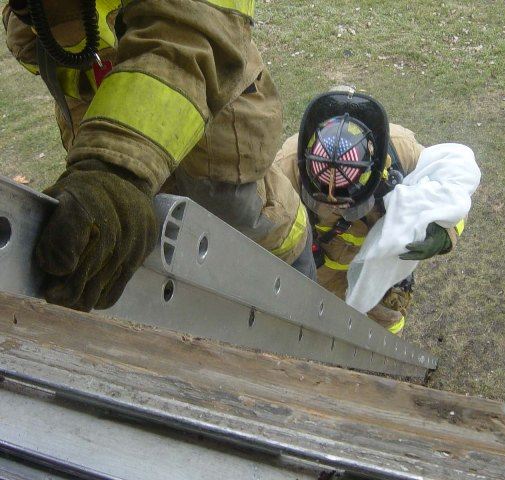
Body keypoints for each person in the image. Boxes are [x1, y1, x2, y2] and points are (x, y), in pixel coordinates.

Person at [3, 0, 315, 312]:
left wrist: (116, 166)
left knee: (234, 206)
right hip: (102, 109)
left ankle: (298, 258)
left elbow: (192, 29)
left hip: (204, 108)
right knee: (140, 231)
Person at [274, 87, 480, 335]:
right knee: (321, 322)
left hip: (377, 271)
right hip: (320, 270)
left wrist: (445, 232)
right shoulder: (285, 169)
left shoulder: (401, 152)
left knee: (387, 323)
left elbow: (449, 189)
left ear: (376, 166)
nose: (336, 207)